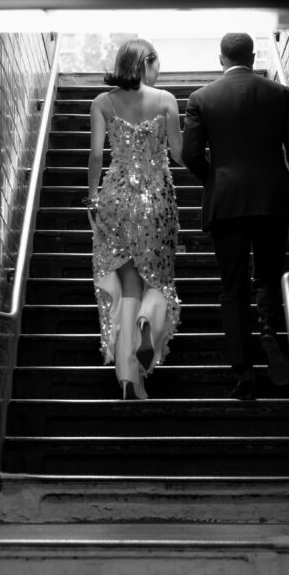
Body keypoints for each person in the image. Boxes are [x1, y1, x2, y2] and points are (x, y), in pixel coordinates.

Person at [181, 32, 289, 400]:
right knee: (268, 277)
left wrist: (216, 182)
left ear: (221, 58)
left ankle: (244, 373)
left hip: (226, 205)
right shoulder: (279, 94)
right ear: (253, 57)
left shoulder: (200, 98)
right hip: (273, 201)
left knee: (232, 286)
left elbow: (190, 155)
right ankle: (269, 331)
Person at [87, 39, 183, 400]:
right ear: (147, 63)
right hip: (157, 198)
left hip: (116, 195)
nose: (160, 73)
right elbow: (176, 152)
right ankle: (148, 320)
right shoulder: (166, 101)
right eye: (157, 65)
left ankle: (128, 376)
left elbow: (97, 155)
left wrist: (93, 196)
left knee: (128, 281)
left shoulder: (102, 103)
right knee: (157, 275)